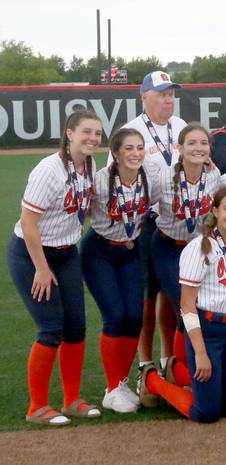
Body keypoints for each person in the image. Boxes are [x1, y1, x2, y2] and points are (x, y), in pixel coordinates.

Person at [8, 109, 103, 425]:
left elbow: (79, 208)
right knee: (51, 328)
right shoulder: (49, 169)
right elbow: (28, 221)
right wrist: (41, 267)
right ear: (70, 133)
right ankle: (37, 407)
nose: (92, 138)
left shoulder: (88, 164)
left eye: (97, 133)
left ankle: (72, 399)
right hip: (32, 255)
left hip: (66, 253)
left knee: (76, 327)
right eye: (86, 131)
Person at [139, 187, 226, 423]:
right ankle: (153, 381)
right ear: (215, 211)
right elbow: (187, 306)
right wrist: (200, 352)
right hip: (209, 332)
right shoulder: (198, 248)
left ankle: (176, 371)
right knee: (206, 413)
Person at [82, 128, 159, 413]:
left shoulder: (151, 176)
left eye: (140, 147)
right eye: (129, 148)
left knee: (134, 317)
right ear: (115, 153)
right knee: (115, 316)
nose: (136, 153)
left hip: (130, 250)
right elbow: (81, 207)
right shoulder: (100, 181)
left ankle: (121, 383)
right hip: (99, 251)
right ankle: (112, 388)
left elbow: (175, 185)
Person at [117, 70, 187, 381]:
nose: (168, 99)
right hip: (145, 224)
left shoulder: (181, 127)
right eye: (161, 94)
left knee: (173, 295)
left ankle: (168, 357)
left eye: (171, 93)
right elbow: (114, 178)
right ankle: (145, 363)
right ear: (143, 97)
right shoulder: (131, 131)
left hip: (180, 222)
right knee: (147, 296)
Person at [146, 123, 220, 391]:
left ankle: (180, 368)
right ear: (180, 148)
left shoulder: (214, 175)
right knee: (185, 306)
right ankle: (182, 370)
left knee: (199, 306)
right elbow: (142, 202)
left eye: (203, 143)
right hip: (168, 246)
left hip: (198, 248)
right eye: (192, 143)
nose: (198, 148)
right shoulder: (164, 177)